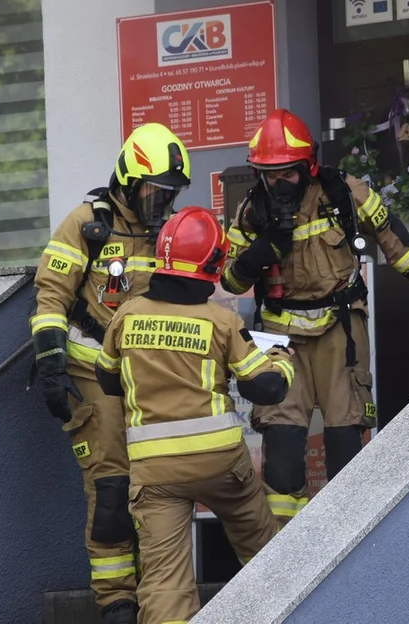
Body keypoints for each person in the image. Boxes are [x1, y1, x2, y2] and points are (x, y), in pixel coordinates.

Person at [220, 108, 409, 525]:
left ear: (308, 166)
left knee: (346, 443)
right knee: (282, 455)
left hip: (340, 331)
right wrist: (258, 255)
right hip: (282, 338)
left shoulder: (344, 192)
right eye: (269, 174)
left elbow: (395, 240)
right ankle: (290, 554)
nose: (277, 182)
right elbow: (230, 281)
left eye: (287, 173)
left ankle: (347, 541)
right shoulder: (252, 212)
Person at [95, 205, 293, 624]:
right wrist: (283, 359)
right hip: (221, 464)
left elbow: (110, 382)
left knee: (165, 584)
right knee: (266, 555)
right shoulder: (220, 320)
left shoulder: (127, 315)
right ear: (214, 264)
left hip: (155, 471)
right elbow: (265, 388)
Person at [29, 122, 191, 624]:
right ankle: (117, 603)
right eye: (153, 191)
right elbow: (52, 297)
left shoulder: (168, 230)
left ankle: (158, 596)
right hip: (90, 373)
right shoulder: (86, 225)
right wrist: (52, 366)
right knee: (112, 493)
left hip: (150, 379)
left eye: (169, 194)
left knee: (160, 487)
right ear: (127, 178)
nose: (160, 202)